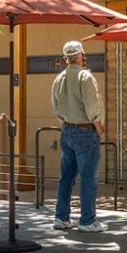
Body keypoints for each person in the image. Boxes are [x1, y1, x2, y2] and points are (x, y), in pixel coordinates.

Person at [50, 41, 106, 233]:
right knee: (88, 177)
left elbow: (55, 106)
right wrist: (98, 126)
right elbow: (92, 105)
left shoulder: (59, 78)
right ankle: (88, 220)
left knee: (66, 177)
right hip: (85, 130)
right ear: (82, 55)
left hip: (66, 129)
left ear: (65, 58)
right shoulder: (85, 76)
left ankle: (61, 217)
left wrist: (66, 121)